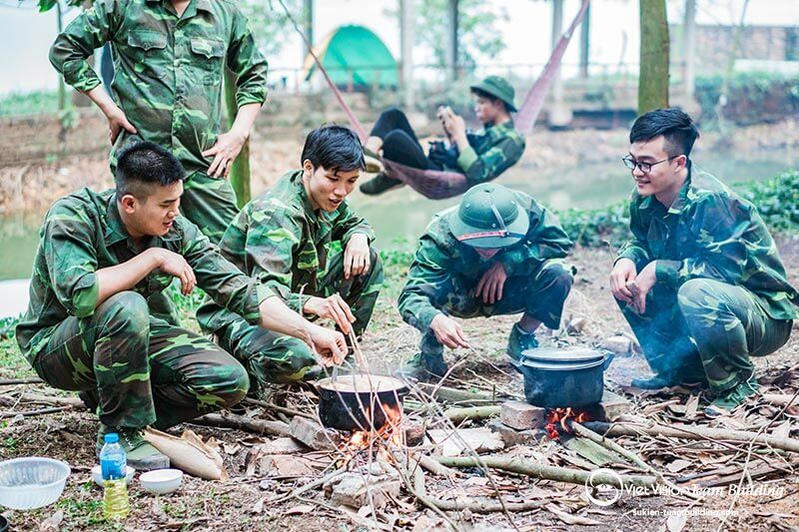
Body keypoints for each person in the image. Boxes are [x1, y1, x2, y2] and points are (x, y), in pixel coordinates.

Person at [15, 142, 346, 470]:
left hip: (128, 336)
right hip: (56, 346)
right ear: (129, 203)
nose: (175, 212)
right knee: (126, 305)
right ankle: (122, 432)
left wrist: (309, 331)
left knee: (230, 380)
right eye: (166, 204)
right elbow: (81, 295)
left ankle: (121, 406)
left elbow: (239, 289)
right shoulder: (74, 216)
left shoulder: (175, 230)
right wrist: (152, 258)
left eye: (178, 201)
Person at [609, 108, 797, 416]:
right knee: (628, 283)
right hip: (713, 298)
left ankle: (737, 386)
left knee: (695, 292)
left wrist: (657, 269)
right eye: (633, 161)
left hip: (763, 314)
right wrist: (626, 259)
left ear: (679, 162)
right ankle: (681, 371)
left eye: (647, 164)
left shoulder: (712, 201)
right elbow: (641, 241)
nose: (637, 172)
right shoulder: (644, 197)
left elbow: (724, 272)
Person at [49, 0, 269, 243]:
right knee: (143, 256)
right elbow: (65, 49)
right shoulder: (122, 6)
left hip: (203, 163)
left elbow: (255, 72)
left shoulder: (223, 13)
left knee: (229, 252)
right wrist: (109, 108)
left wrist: (238, 134)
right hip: (142, 167)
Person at [197, 125, 384, 391]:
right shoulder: (278, 214)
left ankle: (341, 359)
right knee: (297, 359)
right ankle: (243, 363)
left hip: (291, 301)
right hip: (241, 314)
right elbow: (265, 292)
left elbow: (354, 222)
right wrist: (311, 303)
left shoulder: (324, 196)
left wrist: (358, 237)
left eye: (351, 181)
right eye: (333, 179)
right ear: (308, 168)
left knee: (368, 261)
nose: (341, 191)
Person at [396, 183, 573, 380]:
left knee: (559, 273)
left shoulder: (525, 210)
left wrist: (508, 263)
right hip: (460, 296)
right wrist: (434, 319)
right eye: (480, 244)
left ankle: (523, 336)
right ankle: (429, 358)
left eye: (496, 244)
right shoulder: (441, 234)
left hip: (511, 290)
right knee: (432, 291)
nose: (488, 250)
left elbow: (559, 243)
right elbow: (412, 296)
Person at [359, 76, 526, 196]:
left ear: (498, 103)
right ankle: (368, 155)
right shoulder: (485, 131)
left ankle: (392, 175)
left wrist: (459, 132)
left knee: (395, 139)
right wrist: (450, 129)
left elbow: (477, 173)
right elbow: (458, 153)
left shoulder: (513, 140)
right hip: (436, 164)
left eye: (481, 102)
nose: (477, 107)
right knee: (393, 115)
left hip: (440, 175)